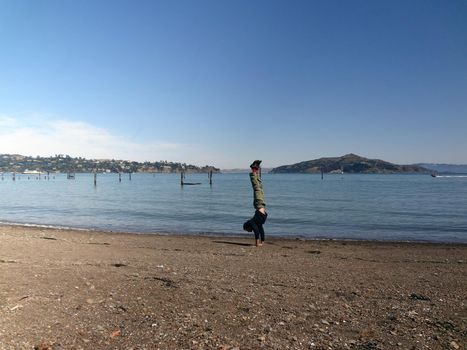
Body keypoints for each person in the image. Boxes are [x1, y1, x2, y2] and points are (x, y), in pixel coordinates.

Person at [243, 160, 268, 247]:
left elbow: (257, 232)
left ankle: (254, 169)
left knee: (257, 187)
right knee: (259, 187)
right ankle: (255, 169)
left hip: (260, 206)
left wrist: (257, 244)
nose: (249, 231)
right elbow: (261, 231)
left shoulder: (252, 223)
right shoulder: (256, 223)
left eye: (247, 230)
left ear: (248, 226)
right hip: (261, 209)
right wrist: (262, 243)